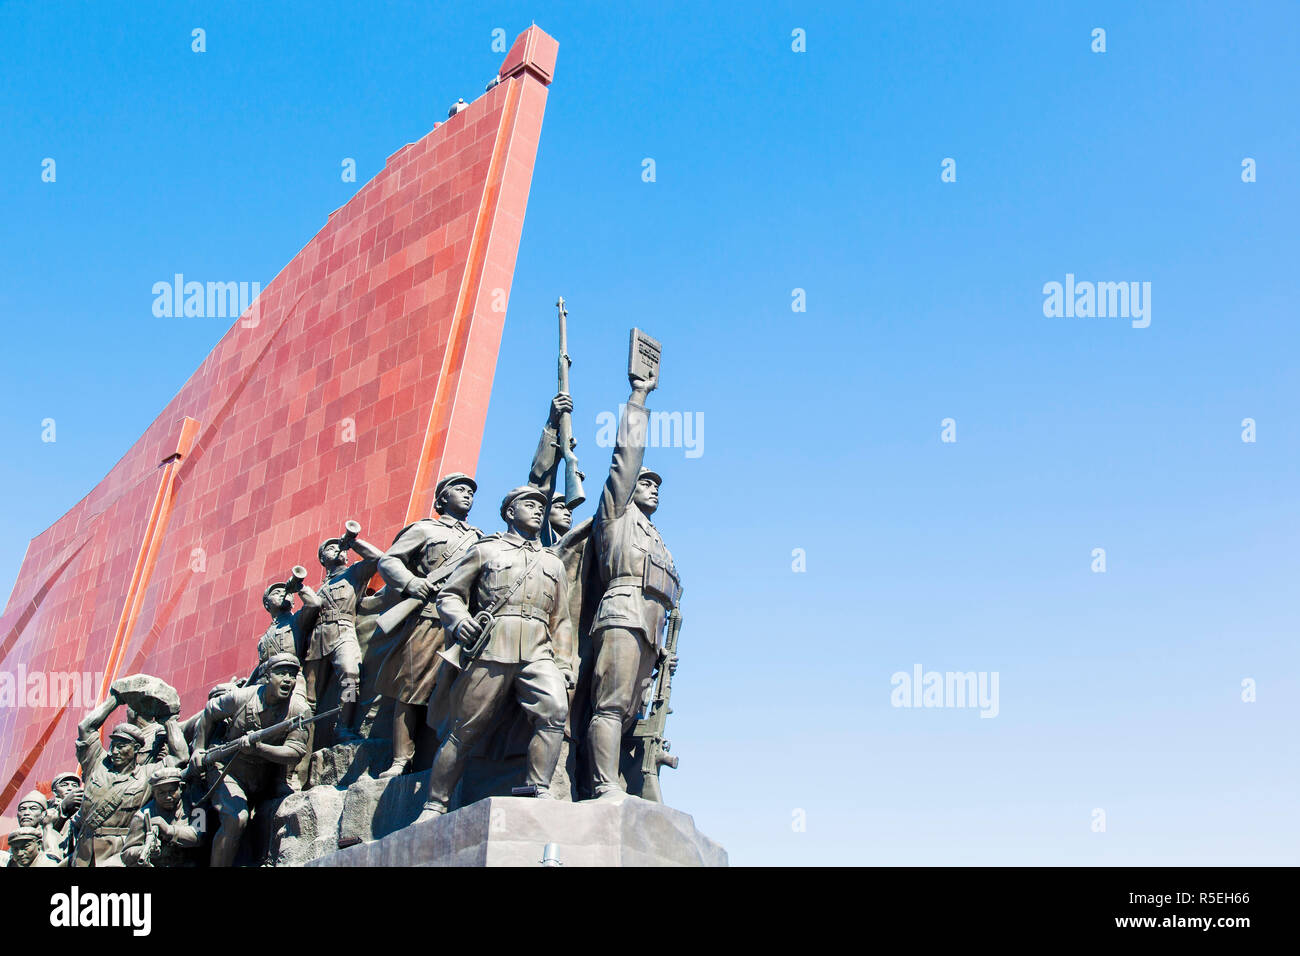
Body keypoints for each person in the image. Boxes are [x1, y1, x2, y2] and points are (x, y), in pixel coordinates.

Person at [414, 486, 573, 821]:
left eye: (540, 507)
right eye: (528, 505)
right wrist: (459, 622)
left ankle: (537, 789)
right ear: (509, 512)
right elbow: (450, 595)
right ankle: (435, 804)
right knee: (465, 728)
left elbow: (562, 621)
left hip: (537, 650)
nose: (537, 511)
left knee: (555, 709)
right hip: (492, 646)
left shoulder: (552, 563)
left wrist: (565, 663)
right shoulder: (485, 550)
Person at [584, 367, 681, 799]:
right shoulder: (618, 515)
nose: (653, 487)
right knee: (611, 706)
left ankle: (614, 780)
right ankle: (605, 787)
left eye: (657, 485)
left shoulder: (659, 540)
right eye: (646, 482)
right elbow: (626, 456)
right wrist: (640, 397)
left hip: (650, 629)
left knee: (629, 716)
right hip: (623, 613)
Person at [373, 473, 483, 779]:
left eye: (470, 492)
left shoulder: (479, 538)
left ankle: (446, 759)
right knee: (410, 686)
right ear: (442, 498)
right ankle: (400, 760)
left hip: (463, 623)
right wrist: (411, 582)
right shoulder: (424, 529)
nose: (467, 495)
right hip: (428, 616)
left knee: (453, 689)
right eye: (459, 490)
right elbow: (388, 561)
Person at [192, 654, 311, 867]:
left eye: (292, 675)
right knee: (237, 819)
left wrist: (260, 748)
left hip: (263, 777)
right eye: (281, 673)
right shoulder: (242, 697)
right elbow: (209, 712)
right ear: (267, 676)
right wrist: (198, 749)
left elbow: (295, 751)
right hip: (227, 770)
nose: (287, 679)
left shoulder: (299, 710)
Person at [306, 526, 383, 742]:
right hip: (317, 639)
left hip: (343, 632)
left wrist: (352, 542)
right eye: (330, 548)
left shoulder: (354, 573)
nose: (337, 550)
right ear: (323, 559)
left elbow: (379, 558)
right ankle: (303, 739)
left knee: (350, 676)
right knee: (309, 697)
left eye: (338, 547)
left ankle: (343, 726)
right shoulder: (318, 589)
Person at [71, 691, 152, 866]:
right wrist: (117, 698)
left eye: (121, 746)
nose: (114, 751)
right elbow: (85, 728)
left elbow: (180, 758)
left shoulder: (146, 774)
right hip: (84, 850)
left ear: (136, 748)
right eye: (113, 746)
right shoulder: (99, 763)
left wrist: (168, 719)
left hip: (118, 851)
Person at [120, 766, 201, 867]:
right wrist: (145, 849)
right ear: (153, 793)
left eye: (172, 791)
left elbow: (200, 837)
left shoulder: (196, 806)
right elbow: (126, 854)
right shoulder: (141, 816)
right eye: (161, 793)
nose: (167, 797)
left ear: (181, 788)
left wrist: (168, 830)